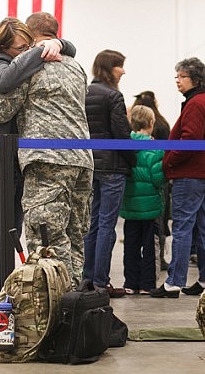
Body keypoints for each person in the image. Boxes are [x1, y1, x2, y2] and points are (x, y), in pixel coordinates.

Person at [0, 14, 75, 323]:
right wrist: (41, 50)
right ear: (3, 46)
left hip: (13, 162)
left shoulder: (20, 61)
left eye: (30, 45)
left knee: (9, 237)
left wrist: (58, 43)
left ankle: (3, 303)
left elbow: (71, 50)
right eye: (21, 47)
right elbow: (2, 81)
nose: (26, 51)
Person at [151, 57, 205, 298]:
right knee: (201, 227)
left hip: (190, 175)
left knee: (181, 228)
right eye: (176, 77)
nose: (177, 81)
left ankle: (174, 282)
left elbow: (189, 141)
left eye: (181, 77)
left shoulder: (196, 104)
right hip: (201, 174)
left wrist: (167, 162)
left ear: (195, 79)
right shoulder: (200, 101)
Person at [83, 49, 136, 298]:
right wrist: (133, 160)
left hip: (91, 164)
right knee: (107, 225)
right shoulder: (114, 95)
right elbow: (121, 134)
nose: (123, 71)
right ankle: (101, 281)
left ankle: (87, 277)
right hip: (113, 166)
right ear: (109, 68)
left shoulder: (85, 92)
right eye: (120, 66)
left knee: (93, 223)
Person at [121, 105, 165, 295]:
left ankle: (130, 283)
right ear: (151, 123)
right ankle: (147, 284)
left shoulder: (125, 145)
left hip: (130, 205)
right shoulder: (155, 148)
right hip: (150, 207)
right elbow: (158, 178)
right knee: (150, 246)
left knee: (130, 245)